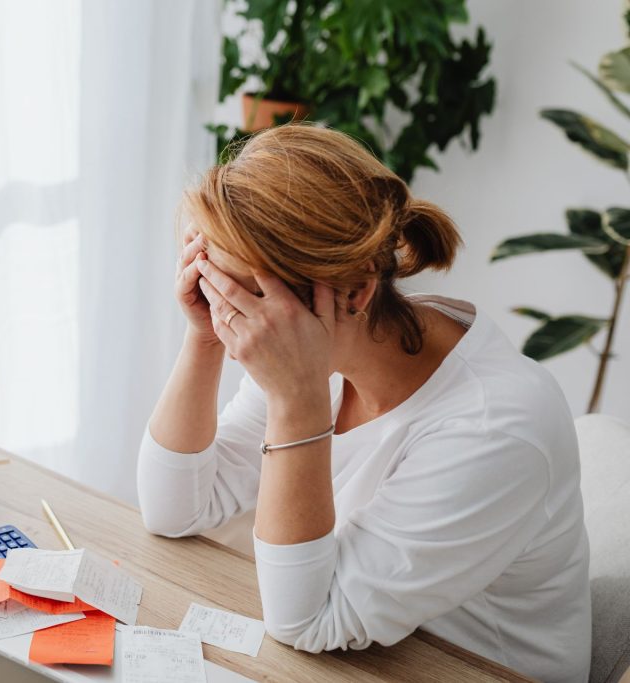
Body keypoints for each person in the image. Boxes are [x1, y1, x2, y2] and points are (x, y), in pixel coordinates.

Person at [137, 124, 590, 683]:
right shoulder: (321, 339)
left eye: (239, 297)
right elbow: (174, 510)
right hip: (364, 653)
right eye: (210, 286)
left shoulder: (495, 428)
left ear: (354, 292)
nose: (234, 322)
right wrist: (202, 337)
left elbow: (306, 621)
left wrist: (296, 400)